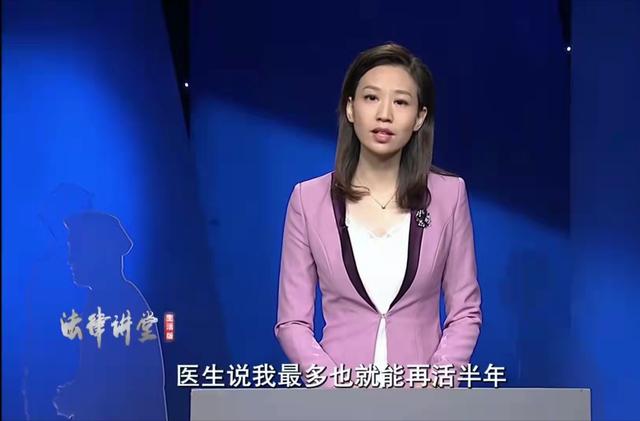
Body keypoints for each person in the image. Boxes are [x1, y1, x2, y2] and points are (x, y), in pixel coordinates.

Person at [274, 42, 482, 388]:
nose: (385, 114)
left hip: (425, 400)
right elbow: (292, 323)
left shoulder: (449, 196)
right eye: (371, 98)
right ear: (350, 108)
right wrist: (335, 389)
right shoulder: (307, 201)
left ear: (419, 118)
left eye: (400, 102)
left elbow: (465, 312)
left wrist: (436, 386)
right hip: (337, 398)